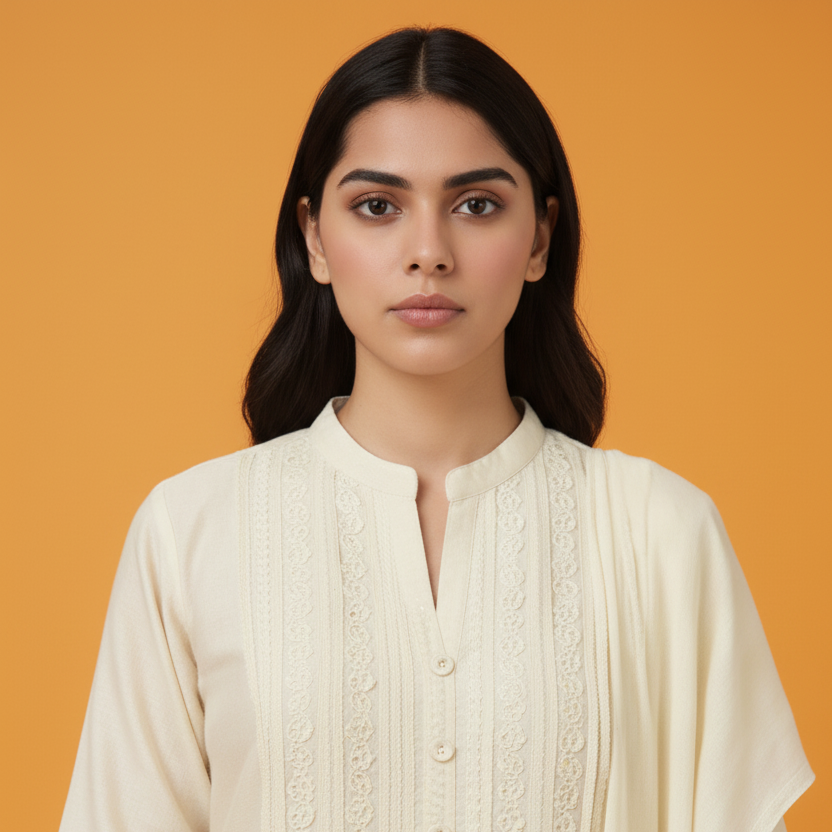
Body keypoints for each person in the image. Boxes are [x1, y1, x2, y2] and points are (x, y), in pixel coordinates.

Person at [59, 25, 814, 832]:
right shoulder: (188, 532)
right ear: (315, 237)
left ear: (540, 239)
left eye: (476, 205)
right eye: (377, 206)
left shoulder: (662, 531)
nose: (429, 251)